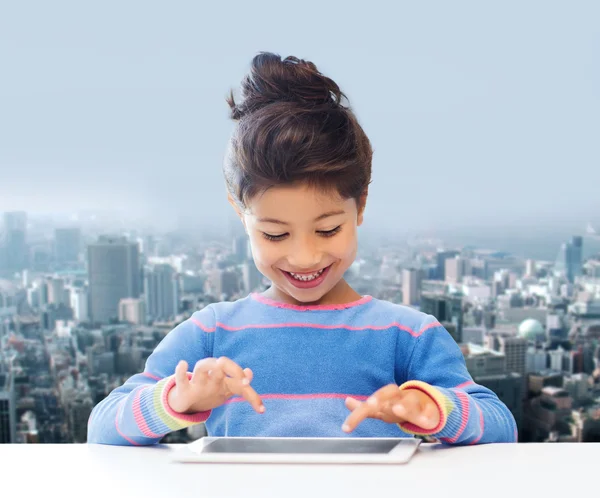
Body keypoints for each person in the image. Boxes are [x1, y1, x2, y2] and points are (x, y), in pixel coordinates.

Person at [87, 52, 517, 446]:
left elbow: (500, 425)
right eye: (275, 235)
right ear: (240, 213)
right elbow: (103, 426)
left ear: (360, 206)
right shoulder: (213, 332)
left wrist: (432, 408)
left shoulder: (408, 336)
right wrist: (176, 400)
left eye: (328, 230)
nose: (305, 258)